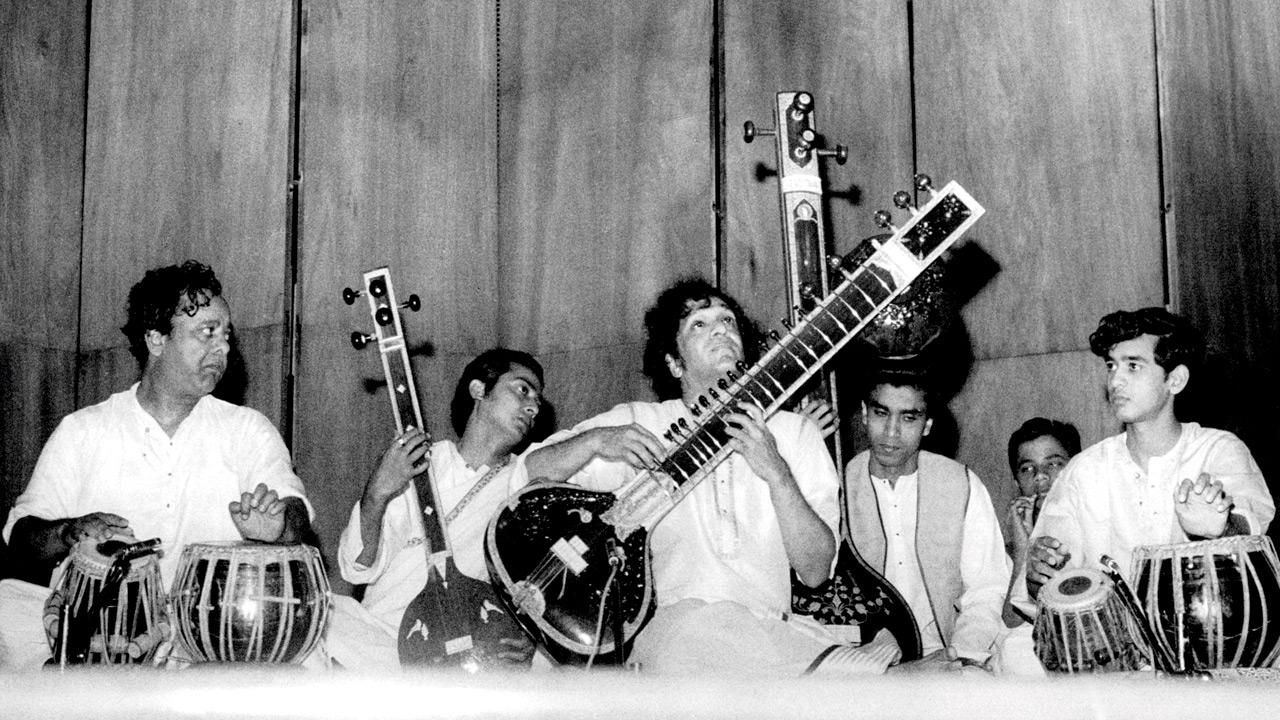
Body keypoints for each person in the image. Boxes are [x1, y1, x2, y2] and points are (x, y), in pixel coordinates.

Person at [521, 277, 901, 677]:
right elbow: (528, 472)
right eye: (699, 324)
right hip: (677, 637)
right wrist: (597, 441)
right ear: (674, 362)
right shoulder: (641, 424)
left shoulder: (794, 432)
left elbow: (816, 570)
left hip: (772, 633)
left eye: (727, 320)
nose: (720, 329)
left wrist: (777, 473)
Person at [0, 260, 312, 669]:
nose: (223, 348)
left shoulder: (248, 430)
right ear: (156, 339)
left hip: (213, 652)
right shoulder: (83, 431)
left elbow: (296, 515)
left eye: (226, 335)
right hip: (99, 648)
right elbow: (22, 539)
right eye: (207, 332)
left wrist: (278, 527)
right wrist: (69, 530)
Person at [1022, 308, 1274, 603]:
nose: (1115, 381)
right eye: (1111, 366)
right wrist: (1037, 576)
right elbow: (1046, 588)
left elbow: (1253, 536)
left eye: (1133, 366)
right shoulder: (1083, 471)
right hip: (1116, 633)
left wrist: (1221, 528)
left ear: (1175, 380)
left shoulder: (1219, 450)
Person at [329, 348, 545, 670]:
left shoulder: (524, 483)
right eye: (522, 390)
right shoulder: (422, 462)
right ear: (479, 389)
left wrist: (530, 631)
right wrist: (377, 492)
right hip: (379, 639)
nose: (533, 407)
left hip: (458, 656)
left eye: (538, 401)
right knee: (321, 615)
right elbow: (357, 567)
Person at [843, 367, 1011, 669]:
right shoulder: (840, 485)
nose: (891, 432)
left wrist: (958, 656)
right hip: (867, 668)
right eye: (881, 413)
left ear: (927, 424)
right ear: (865, 414)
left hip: (950, 656)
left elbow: (986, 591)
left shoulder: (959, 483)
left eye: (908, 418)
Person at [1000, 417, 1080, 626]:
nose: (1040, 476)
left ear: (1076, 468)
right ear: (1016, 482)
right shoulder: (1003, 555)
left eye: (1053, 464)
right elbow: (1010, 621)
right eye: (1027, 468)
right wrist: (1023, 551)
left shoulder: (1096, 529)